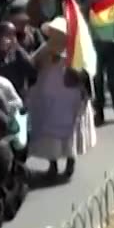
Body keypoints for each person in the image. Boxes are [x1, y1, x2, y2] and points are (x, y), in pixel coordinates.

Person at [25, 18, 91, 182]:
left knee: (69, 131)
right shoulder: (46, 49)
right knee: (50, 132)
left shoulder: (75, 52)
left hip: (68, 99)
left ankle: (70, 161)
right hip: (48, 98)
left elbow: (84, 74)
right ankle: (52, 164)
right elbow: (32, 62)